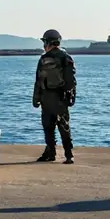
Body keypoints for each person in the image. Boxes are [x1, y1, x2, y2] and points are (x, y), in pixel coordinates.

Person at [32, 29, 76, 164]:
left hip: (47, 97)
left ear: (47, 42)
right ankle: (68, 155)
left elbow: (38, 80)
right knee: (63, 126)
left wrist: (36, 98)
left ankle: (51, 153)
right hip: (60, 98)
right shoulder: (65, 58)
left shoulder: (44, 59)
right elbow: (71, 80)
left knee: (48, 127)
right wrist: (71, 96)